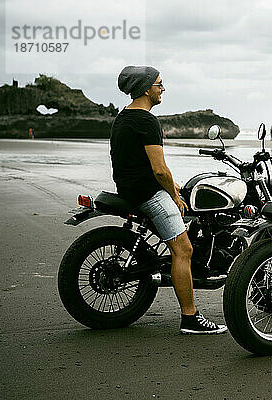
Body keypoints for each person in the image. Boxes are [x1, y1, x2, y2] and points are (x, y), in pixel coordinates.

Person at [110, 65, 227, 334]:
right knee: (184, 249)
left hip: (128, 188)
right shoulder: (147, 121)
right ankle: (191, 317)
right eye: (159, 84)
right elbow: (159, 169)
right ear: (145, 88)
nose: (163, 88)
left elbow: (138, 163)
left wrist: (173, 186)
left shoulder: (123, 118)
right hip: (147, 194)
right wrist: (173, 195)